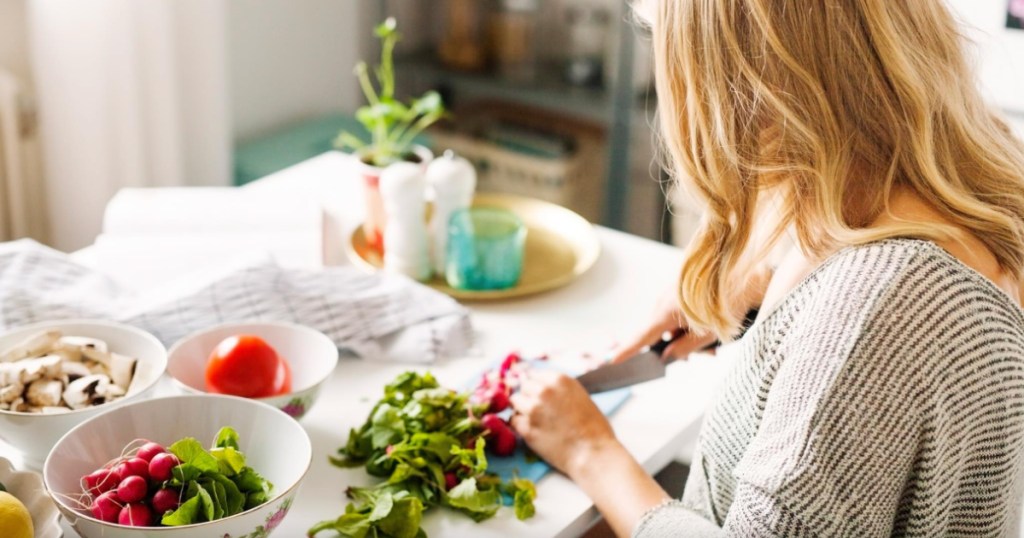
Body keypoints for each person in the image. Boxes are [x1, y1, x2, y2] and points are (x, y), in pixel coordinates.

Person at [509, 0, 1024, 536]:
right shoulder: (974, 186)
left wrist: (590, 451)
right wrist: (767, 293)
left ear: (743, 87)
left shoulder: (877, 306)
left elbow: (871, 330)